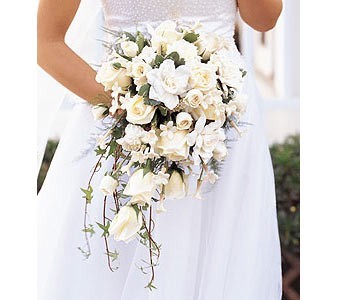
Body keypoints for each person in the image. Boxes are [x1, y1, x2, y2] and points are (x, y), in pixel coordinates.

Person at [37, 0, 283, 299]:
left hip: (221, 121)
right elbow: (46, 43)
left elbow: (264, 20)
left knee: (222, 254)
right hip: (125, 123)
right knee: (113, 257)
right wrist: (130, 104)